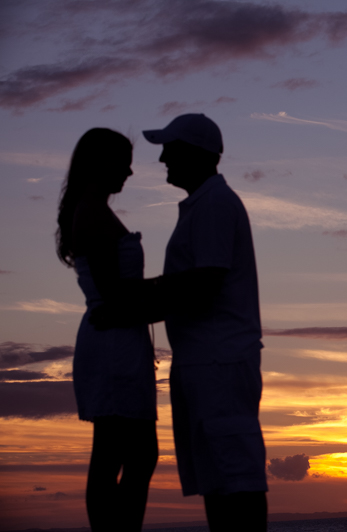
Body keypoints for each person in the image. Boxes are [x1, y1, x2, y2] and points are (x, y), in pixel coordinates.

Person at [142, 114, 268, 531]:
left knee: (236, 477)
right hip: (207, 361)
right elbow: (199, 283)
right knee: (218, 477)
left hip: (219, 361)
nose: (163, 159)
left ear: (195, 153)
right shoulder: (204, 204)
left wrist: (137, 301)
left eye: (170, 149)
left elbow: (206, 281)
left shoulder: (213, 205)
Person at [56, 128, 158, 532]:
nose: (130, 173)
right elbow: (114, 294)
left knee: (129, 453)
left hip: (120, 337)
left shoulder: (94, 209)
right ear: (101, 164)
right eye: (123, 164)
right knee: (123, 453)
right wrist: (177, 294)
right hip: (113, 340)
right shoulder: (92, 212)